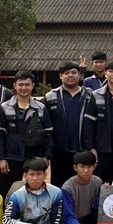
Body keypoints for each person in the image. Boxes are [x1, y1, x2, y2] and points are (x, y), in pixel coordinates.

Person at [0, 70, 54, 200]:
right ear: (15, 86)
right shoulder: (5, 107)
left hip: (35, 155)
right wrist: (1, 158)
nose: (24, 88)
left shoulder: (41, 108)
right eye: (20, 84)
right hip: (11, 156)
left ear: (33, 86)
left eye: (27, 84)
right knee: (5, 190)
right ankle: (5, 213)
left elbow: (48, 134)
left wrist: (46, 157)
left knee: (35, 190)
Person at [44, 60, 93, 188]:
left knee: (82, 187)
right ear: (60, 76)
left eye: (73, 72)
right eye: (66, 73)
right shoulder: (50, 97)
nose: (70, 75)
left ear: (79, 75)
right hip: (59, 152)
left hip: (83, 150)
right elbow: (46, 126)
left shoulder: (90, 96)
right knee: (59, 187)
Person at [62, 151, 103, 224]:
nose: (86, 170)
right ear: (75, 168)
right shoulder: (67, 188)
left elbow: (99, 209)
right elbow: (68, 217)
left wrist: (106, 193)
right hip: (72, 222)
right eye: (82, 167)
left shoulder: (98, 182)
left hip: (88, 218)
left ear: (94, 167)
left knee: (104, 220)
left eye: (89, 167)